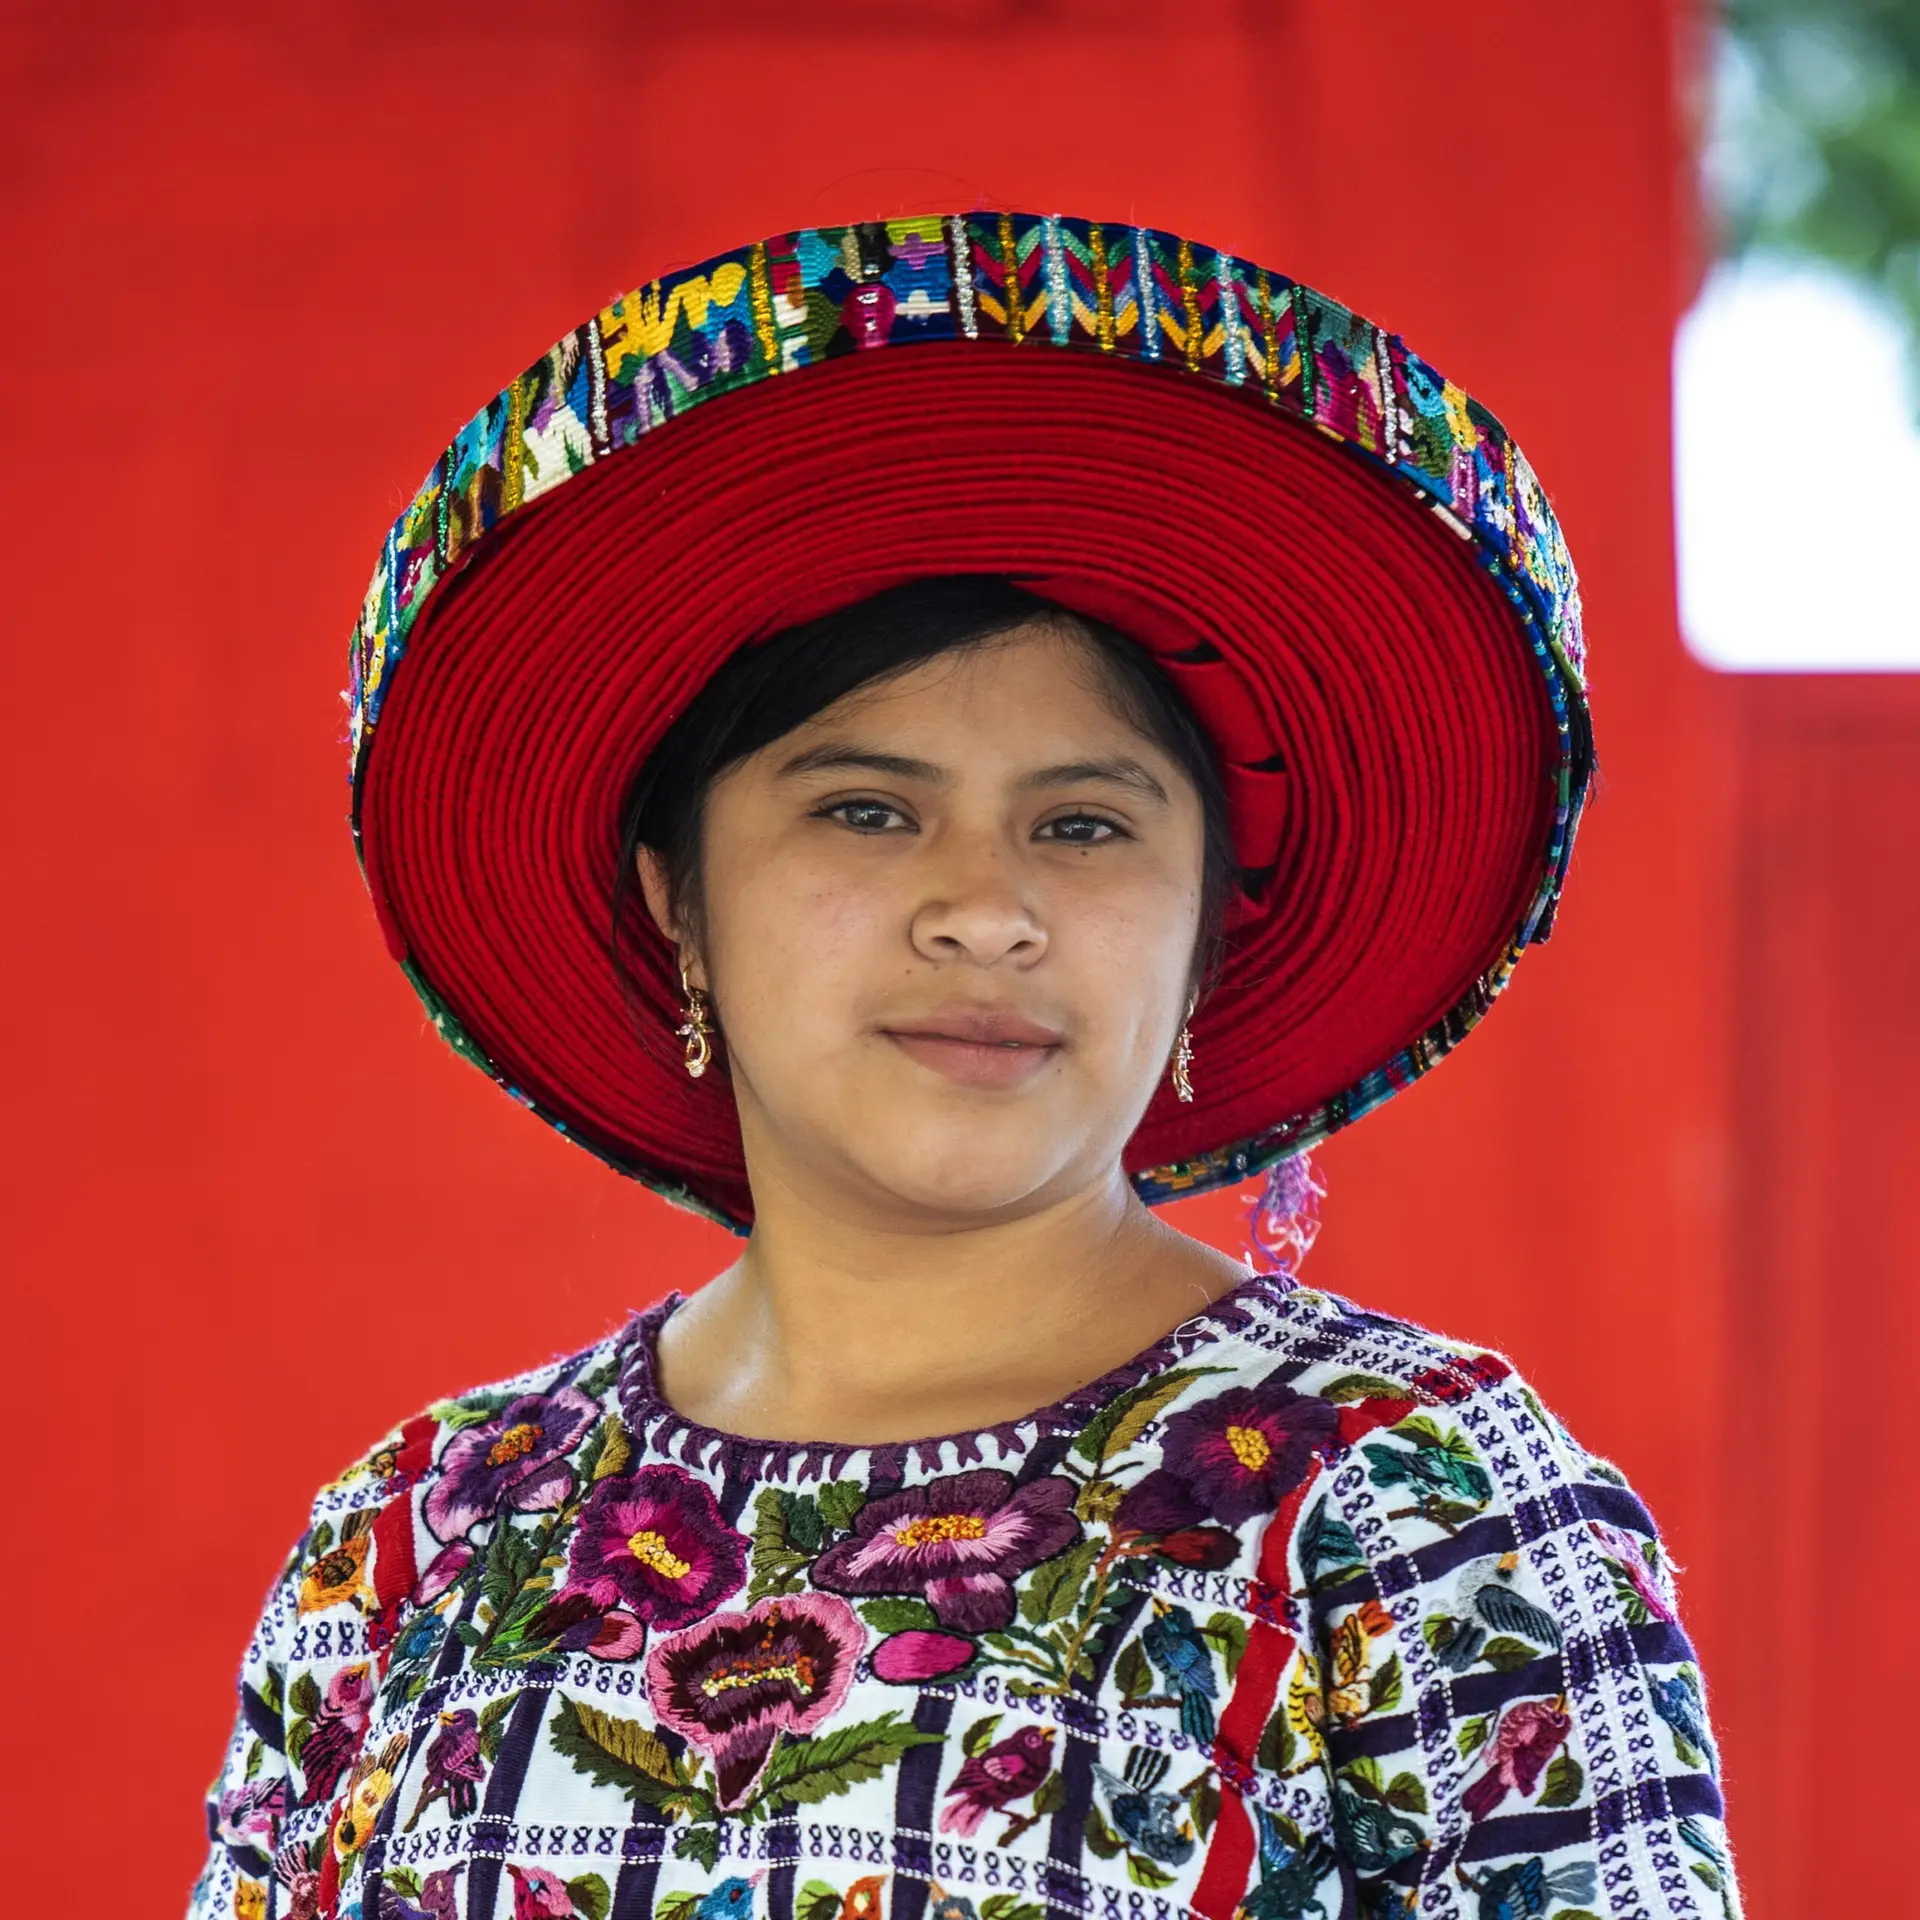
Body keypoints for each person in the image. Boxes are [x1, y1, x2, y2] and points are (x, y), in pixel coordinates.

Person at [190, 214, 1738, 1920]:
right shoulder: (416, 1541)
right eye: (868, 808)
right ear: (677, 899)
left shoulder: (1409, 1507)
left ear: (1210, 928)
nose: (987, 913)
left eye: (1082, 826)